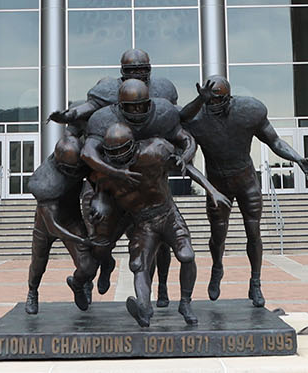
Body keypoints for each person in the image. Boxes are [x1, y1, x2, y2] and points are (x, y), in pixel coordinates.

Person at [179, 75, 308, 307]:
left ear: (228, 99)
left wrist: (297, 158)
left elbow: (274, 141)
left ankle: (255, 282)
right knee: (217, 236)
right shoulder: (197, 119)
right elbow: (181, 119)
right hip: (217, 183)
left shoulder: (248, 111)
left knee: (253, 232)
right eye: (209, 102)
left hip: (246, 180)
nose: (213, 106)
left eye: (217, 101)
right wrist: (198, 101)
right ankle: (217, 267)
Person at [88, 121, 228, 328]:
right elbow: (100, 192)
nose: (118, 156)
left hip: (167, 214)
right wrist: (98, 205)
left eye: (121, 150)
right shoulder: (106, 172)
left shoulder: (154, 151)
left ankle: (186, 303)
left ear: (132, 145)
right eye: (113, 152)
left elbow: (186, 166)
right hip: (142, 222)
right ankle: (143, 308)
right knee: (138, 265)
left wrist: (211, 189)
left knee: (186, 255)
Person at [22, 132, 114, 313]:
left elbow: (98, 181)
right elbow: (54, 227)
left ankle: (82, 283)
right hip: (47, 224)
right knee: (38, 262)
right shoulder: (45, 184)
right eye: (71, 169)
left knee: (88, 265)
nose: (75, 173)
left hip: (71, 218)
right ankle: (32, 292)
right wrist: (83, 240)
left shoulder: (78, 164)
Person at [48, 47, 178, 127]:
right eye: (132, 70)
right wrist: (70, 115)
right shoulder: (109, 89)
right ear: (123, 71)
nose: (137, 74)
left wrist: (198, 102)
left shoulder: (163, 88)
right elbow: (89, 107)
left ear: (149, 69)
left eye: (141, 69)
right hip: (117, 138)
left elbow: (176, 114)